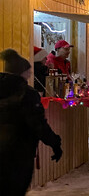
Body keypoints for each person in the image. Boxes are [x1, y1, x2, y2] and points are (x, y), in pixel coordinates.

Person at [0, 49, 62, 195]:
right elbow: (38, 125)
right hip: (20, 152)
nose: (29, 75)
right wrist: (55, 143)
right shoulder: (27, 94)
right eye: (28, 72)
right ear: (21, 73)